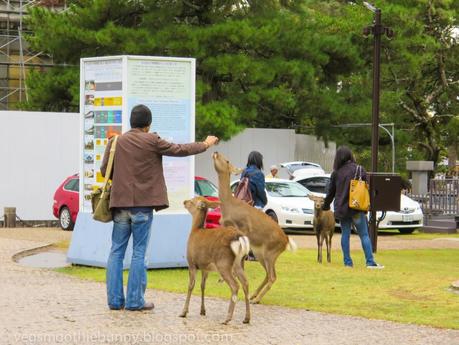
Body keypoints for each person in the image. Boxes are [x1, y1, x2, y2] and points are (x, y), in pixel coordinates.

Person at [100, 104, 219, 311]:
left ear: (131, 122)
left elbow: (104, 170)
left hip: (119, 205)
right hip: (142, 207)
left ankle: (115, 300)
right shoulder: (152, 140)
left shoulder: (116, 141)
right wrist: (205, 144)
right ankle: (135, 301)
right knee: (138, 252)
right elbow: (180, 150)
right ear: (148, 125)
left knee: (116, 252)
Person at [323, 146, 384, 269]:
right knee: (364, 235)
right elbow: (368, 189)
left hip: (342, 209)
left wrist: (326, 205)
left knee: (345, 234)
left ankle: (348, 263)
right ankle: (370, 262)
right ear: (350, 156)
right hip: (356, 207)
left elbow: (331, 192)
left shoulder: (336, 173)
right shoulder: (359, 169)